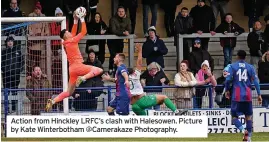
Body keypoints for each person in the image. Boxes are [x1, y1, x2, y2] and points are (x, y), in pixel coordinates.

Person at [45, 11, 103, 112]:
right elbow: (83, 32)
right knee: (99, 70)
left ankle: (53, 101)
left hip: (72, 69)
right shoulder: (72, 40)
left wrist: (75, 20)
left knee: (68, 92)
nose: (69, 32)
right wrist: (82, 19)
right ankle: (83, 77)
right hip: (78, 67)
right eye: (67, 32)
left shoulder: (65, 42)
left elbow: (73, 32)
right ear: (65, 35)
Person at [128, 44, 186, 115]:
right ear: (133, 72)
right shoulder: (135, 76)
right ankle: (176, 112)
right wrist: (140, 51)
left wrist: (110, 78)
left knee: (144, 120)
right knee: (164, 97)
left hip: (134, 106)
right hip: (142, 100)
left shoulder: (123, 80)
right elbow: (139, 62)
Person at [224, 50, 262, 141]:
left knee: (234, 117)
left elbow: (228, 80)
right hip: (248, 94)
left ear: (237, 56)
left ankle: (243, 130)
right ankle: (249, 138)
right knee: (248, 117)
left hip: (237, 94)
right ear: (245, 57)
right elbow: (256, 81)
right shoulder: (250, 67)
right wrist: (259, 94)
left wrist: (227, 90)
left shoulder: (233, 66)